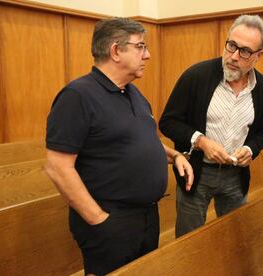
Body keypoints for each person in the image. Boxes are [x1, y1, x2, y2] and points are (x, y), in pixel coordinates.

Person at [44, 17, 193, 275]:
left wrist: (175, 155)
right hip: (111, 220)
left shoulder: (133, 93)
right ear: (115, 51)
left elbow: (142, 142)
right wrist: (98, 220)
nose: (147, 55)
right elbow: (57, 167)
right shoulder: (78, 96)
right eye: (140, 47)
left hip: (147, 216)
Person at [159, 14, 263, 238]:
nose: (233, 56)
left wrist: (250, 150)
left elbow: (262, 133)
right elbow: (168, 122)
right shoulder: (196, 76)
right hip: (197, 173)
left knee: (234, 240)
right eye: (231, 45)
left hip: (236, 177)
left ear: (259, 56)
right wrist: (201, 141)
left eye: (245, 51)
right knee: (189, 243)